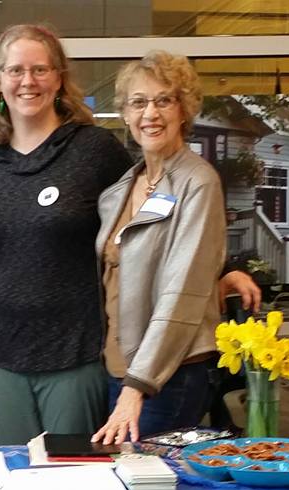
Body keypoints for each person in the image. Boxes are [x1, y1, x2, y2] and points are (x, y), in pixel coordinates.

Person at [0, 23, 133, 445]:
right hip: (2, 358)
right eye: (15, 70)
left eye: (40, 70)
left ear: (59, 78)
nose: (28, 81)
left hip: (73, 356)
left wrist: (221, 270)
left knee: (72, 476)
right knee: (16, 474)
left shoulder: (94, 149)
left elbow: (148, 219)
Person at [92, 50, 226, 445]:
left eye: (163, 100)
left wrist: (137, 387)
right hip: (120, 370)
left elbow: (183, 292)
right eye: (138, 102)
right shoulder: (121, 189)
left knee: (152, 480)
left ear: (184, 110)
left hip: (168, 377)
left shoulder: (198, 183)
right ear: (125, 114)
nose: (150, 113)